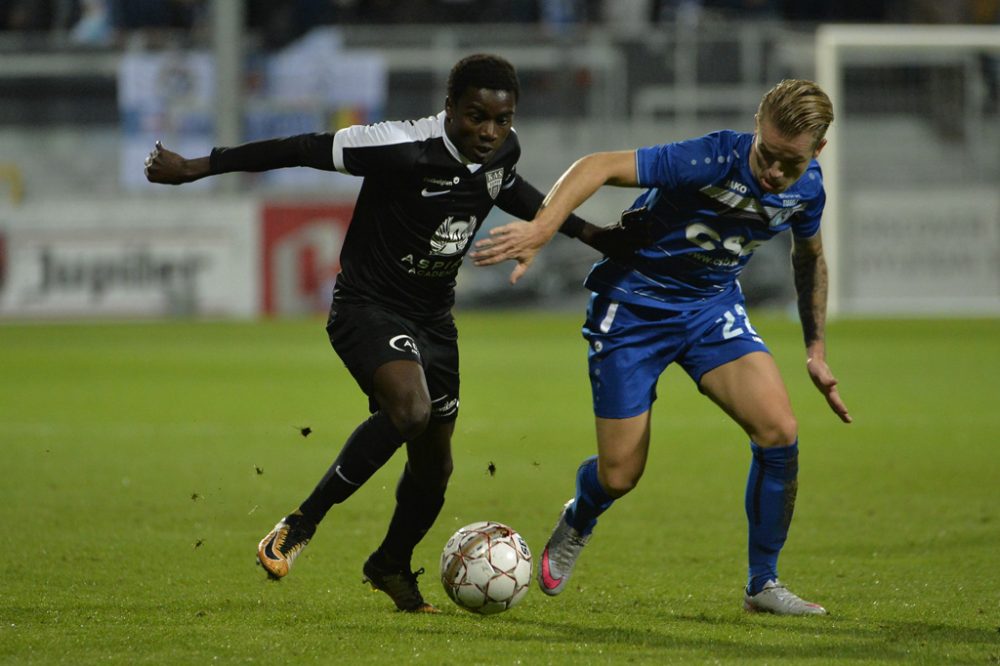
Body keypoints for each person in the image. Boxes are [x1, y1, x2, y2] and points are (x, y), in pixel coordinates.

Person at [144, 53, 626, 613]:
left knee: (434, 466)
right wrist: (198, 167)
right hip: (367, 306)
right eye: (476, 117)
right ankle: (300, 523)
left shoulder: (501, 150)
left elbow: (510, 188)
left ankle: (391, 565)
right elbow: (299, 148)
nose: (490, 132)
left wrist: (593, 233)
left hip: (434, 319)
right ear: (448, 108)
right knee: (409, 410)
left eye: (502, 119)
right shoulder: (399, 146)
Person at [471, 79, 852, 616]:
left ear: (818, 151)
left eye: (789, 163)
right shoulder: (710, 157)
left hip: (710, 309)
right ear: (755, 131)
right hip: (633, 307)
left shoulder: (808, 187)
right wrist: (540, 229)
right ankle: (581, 513)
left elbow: (808, 256)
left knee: (779, 431)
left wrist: (816, 349)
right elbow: (596, 166)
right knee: (620, 474)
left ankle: (762, 585)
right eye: (766, 154)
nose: (772, 173)